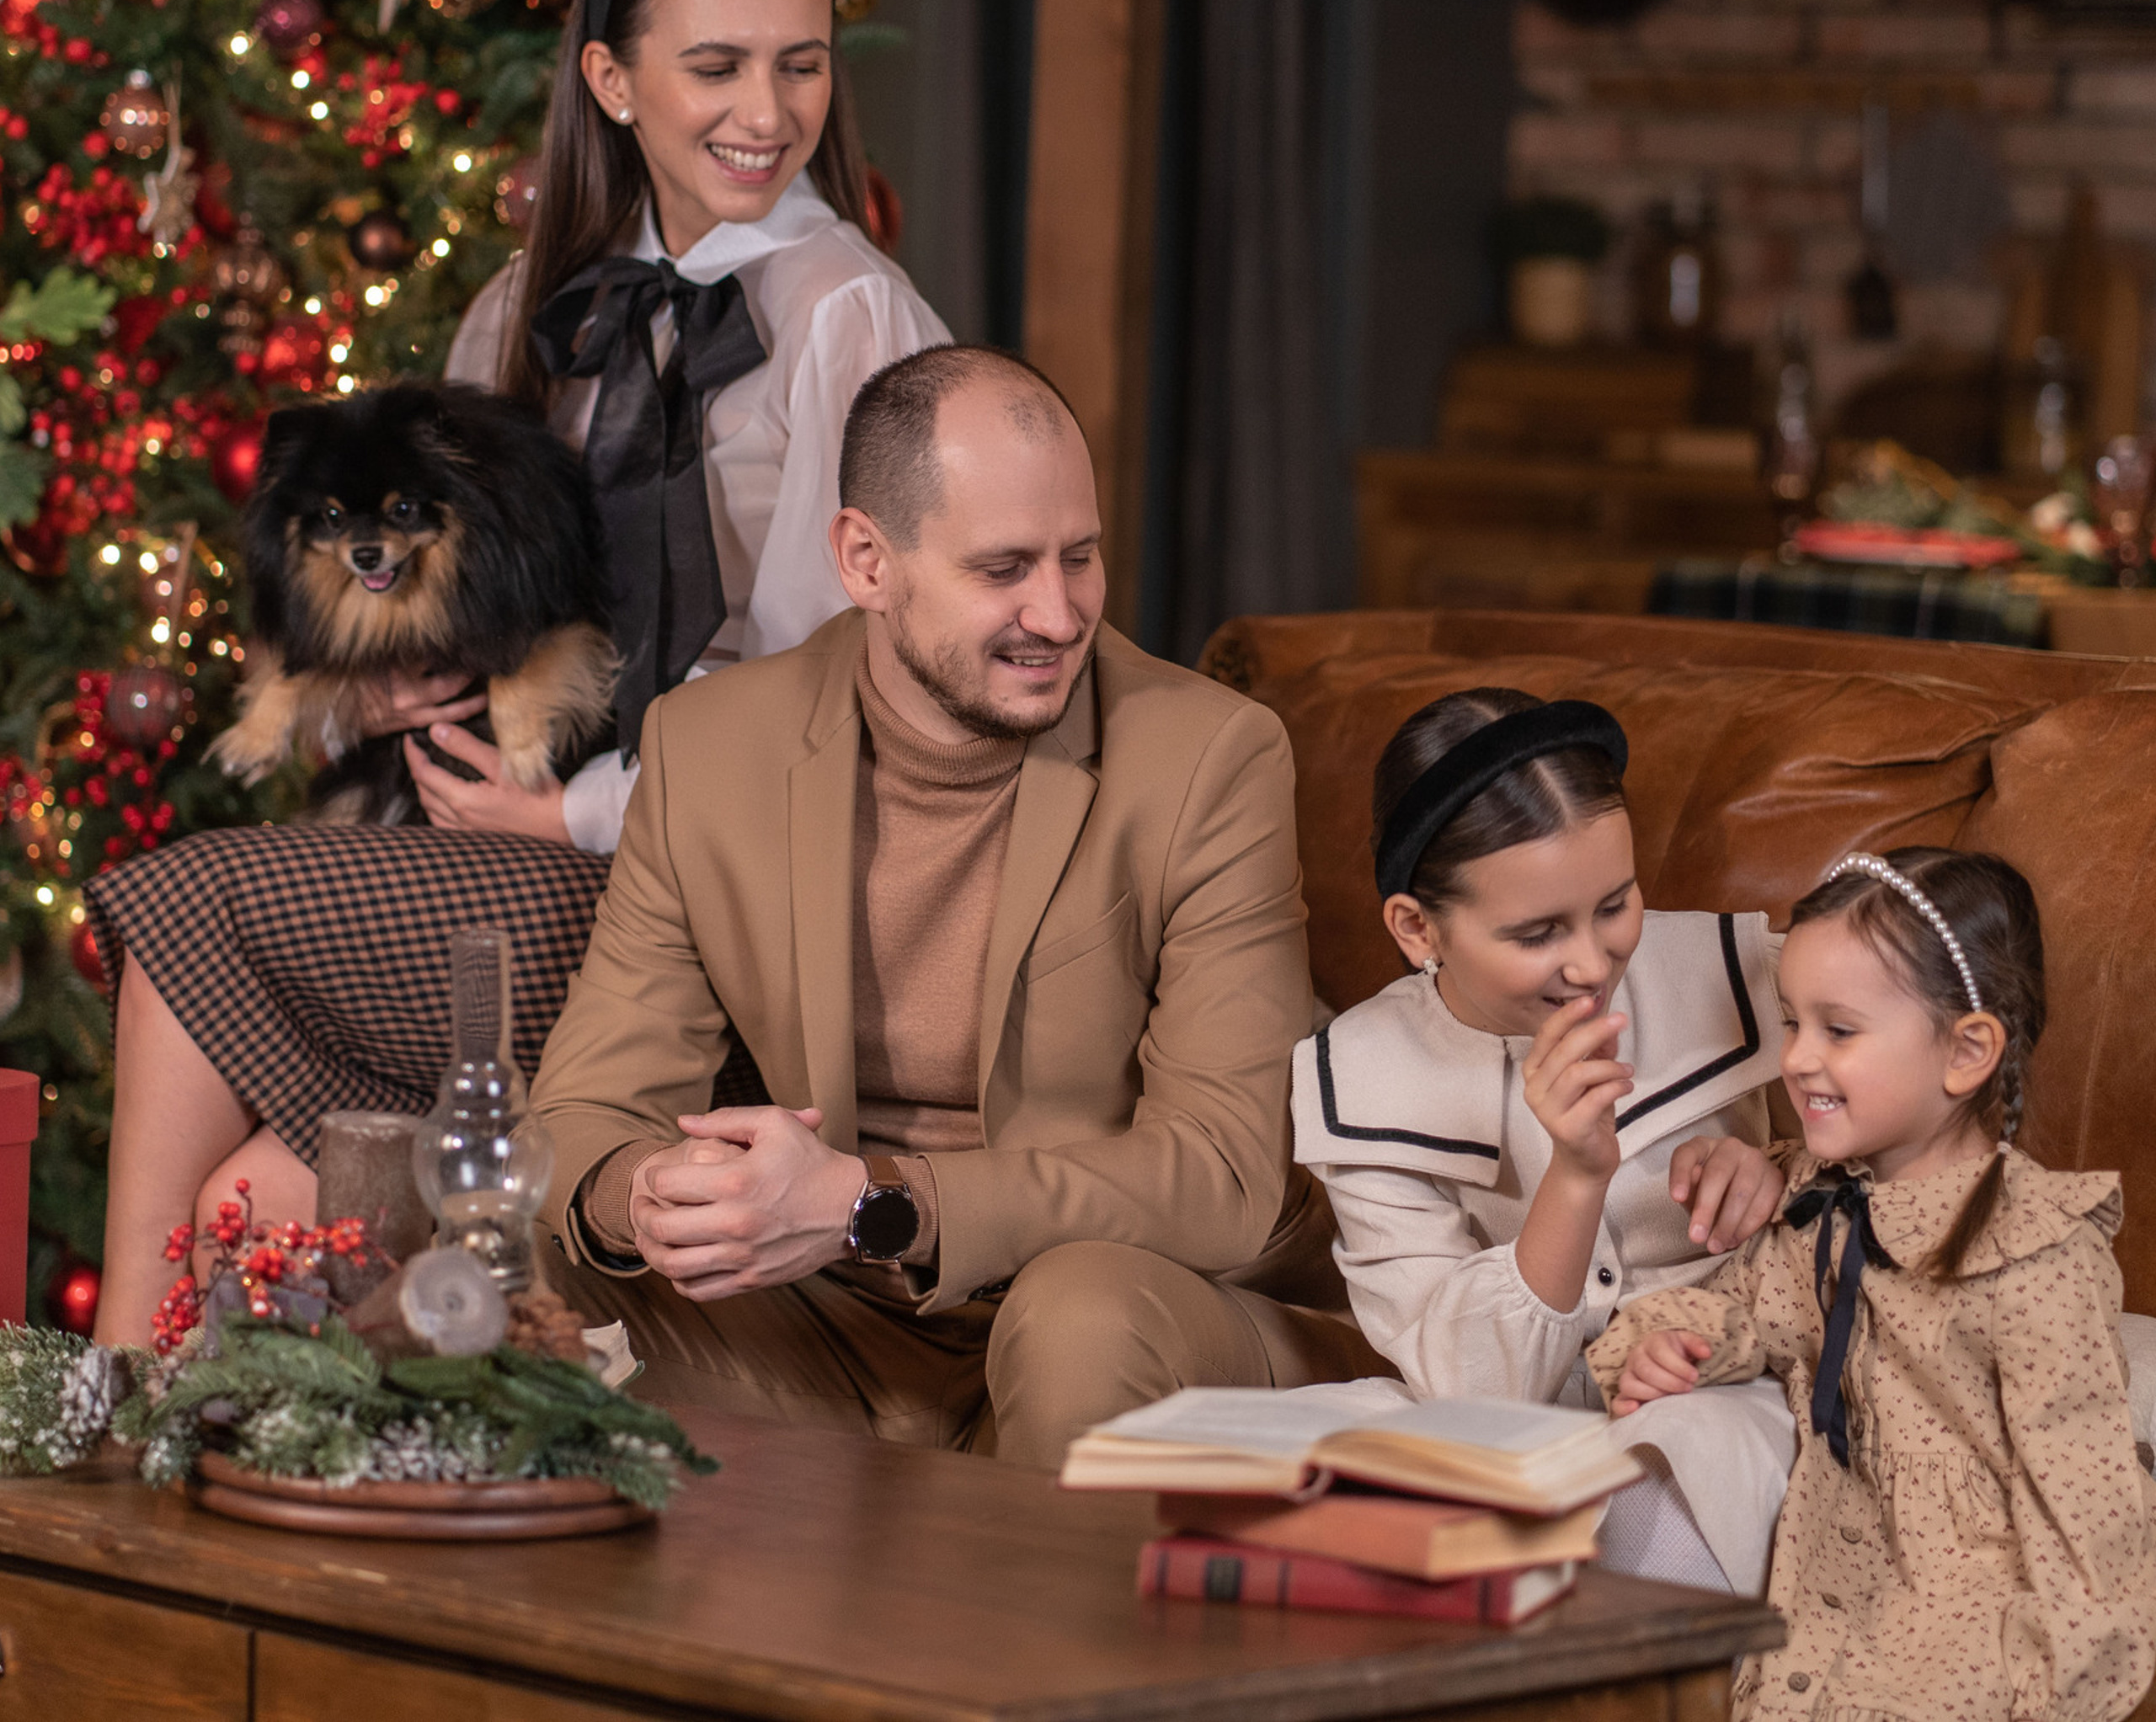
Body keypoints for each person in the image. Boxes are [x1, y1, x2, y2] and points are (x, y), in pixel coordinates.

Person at [84, 0, 947, 1346]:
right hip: (502, 853)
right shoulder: (536, 303)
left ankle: (100, 1402)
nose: (767, 108)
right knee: (256, 1193)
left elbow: (831, 696)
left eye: (800, 63)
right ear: (611, 80)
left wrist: (572, 815)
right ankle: (178, 1487)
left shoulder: (850, 313)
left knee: (191, 901)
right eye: (716, 66)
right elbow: (446, 576)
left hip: (706, 892)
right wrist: (387, 685)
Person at [529, 342, 1384, 1465]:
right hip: (832, 1324)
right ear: (867, 561)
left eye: (1080, 557)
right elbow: (579, 1111)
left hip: (1137, 1308)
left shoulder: (1207, 757)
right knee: (504, 1263)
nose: (1061, 611)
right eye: (1004, 569)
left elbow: (1223, 1176)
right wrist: (652, 1198)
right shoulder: (710, 750)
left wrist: (871, 1201)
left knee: (1073, 1317)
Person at [1589, 848, 2156, 1722]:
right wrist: (1670, 1344)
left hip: (1979, 1601)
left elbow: (2086, 1511)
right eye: (1790, 1022)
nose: (1797, 1059)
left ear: (1967, 1051)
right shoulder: (1821, 1208)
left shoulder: (2036, 1256)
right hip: (1832, 1576)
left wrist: (2060, 1690)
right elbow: (1753, 1312)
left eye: (1838, 1030)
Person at [1290, 689, 1799, 1596]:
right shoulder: (1359, 1075)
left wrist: (1781, 1172)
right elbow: (1469, 1388)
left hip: (1722, 1393)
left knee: (1683, 1472)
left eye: (1615, 903)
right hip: (1497, 1416)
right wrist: (1574, 1176)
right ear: (1417, 929)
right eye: (1536, 933)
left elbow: (1910, 1136)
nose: (1592, 965)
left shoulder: (1743, 971)